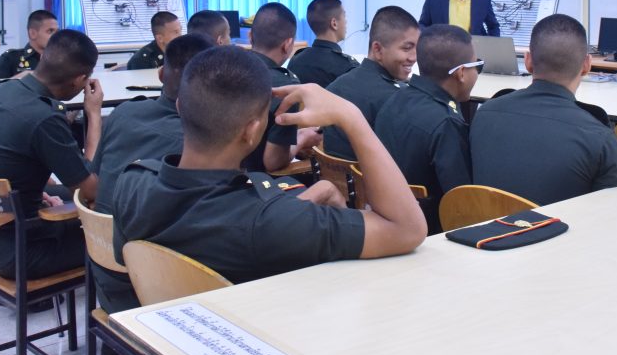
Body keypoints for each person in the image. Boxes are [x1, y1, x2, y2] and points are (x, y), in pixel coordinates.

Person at [110, 46, 427, 286]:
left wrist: (309, 199)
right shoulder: (271, 224)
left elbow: (214, 219)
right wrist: (351, 117)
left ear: (180, 107)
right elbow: (407, 230)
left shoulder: (132, 182)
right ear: (252, 131)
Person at [0, 30, 103, 279]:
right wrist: (94, 114)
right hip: (21, 250)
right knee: (117, 237)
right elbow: (89, 190)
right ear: (80, 80)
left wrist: (20, 193)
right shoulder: (45, 118)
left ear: (44, 57)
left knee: (61, 195)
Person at [90, 33, 212, 314]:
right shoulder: (197, 142)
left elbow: (93, 185)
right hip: (158, 297)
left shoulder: (122, 114)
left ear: (160, 74)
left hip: (107, 282)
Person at [470, 14, 617, 206]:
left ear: (528, 61)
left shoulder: (484, 115)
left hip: (484, 225)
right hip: (559, 226)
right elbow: (611, 216)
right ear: (587, 65)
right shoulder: (601, 141)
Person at [374, 24, 480, 233]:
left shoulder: (394, 100)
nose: (477, 72)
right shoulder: (446, 123)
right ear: (461, 73)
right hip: (429, 231)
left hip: (387, 218)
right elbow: (461, 198)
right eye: (477, 66)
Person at [322, 6, 419, 160]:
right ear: (378, 49)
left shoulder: (335, 87)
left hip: (333, 175)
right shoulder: (395, 99)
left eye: (417, 48)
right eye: (407, 48)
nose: (414, 57)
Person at [244, 3, 318, 172]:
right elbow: (273, 161)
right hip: (254, 181)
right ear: (287, 44)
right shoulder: (287, 87)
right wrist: (302, 138)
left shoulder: (224, 66)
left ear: (250, 36)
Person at [287, 0, 358, 87]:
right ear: (334, 23)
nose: (346, 22)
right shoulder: (347, 66)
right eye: (344, 16)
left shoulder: (295, 61)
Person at [0, 9, 59, 79]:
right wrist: (20, 79)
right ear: (33, 33)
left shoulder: (61, 59)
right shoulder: (11, 58)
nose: (56, 35)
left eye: (57, 32)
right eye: (50, 31)